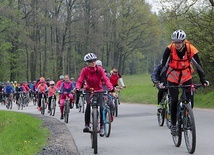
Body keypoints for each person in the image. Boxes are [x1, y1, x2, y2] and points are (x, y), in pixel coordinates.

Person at [161, 29, 209, 136]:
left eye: (179, 42)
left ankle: (187, 115)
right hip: (173, 77)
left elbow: (198, 65)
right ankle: (173, 124)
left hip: (186, 76)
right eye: (175, 42)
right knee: (174, 100)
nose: (177, 44)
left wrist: (203, 79)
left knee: (190, 99)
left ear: (184, 41)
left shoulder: (190, 49)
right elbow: (163, 66)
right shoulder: (169, 49)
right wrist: (163, 81)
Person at [75, 53, 114, 136]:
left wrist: (110, 87)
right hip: (88, 90)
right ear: (87, 63)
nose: (92, 63)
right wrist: (78, 87)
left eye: (94, 61)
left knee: (102, 106)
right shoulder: (84, 70)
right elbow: (80, 80)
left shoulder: (99, 69)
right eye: (90, 61)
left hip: (99, 90)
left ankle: (102, 127)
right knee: (88, 105)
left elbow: (106, 79)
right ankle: (87, 125)